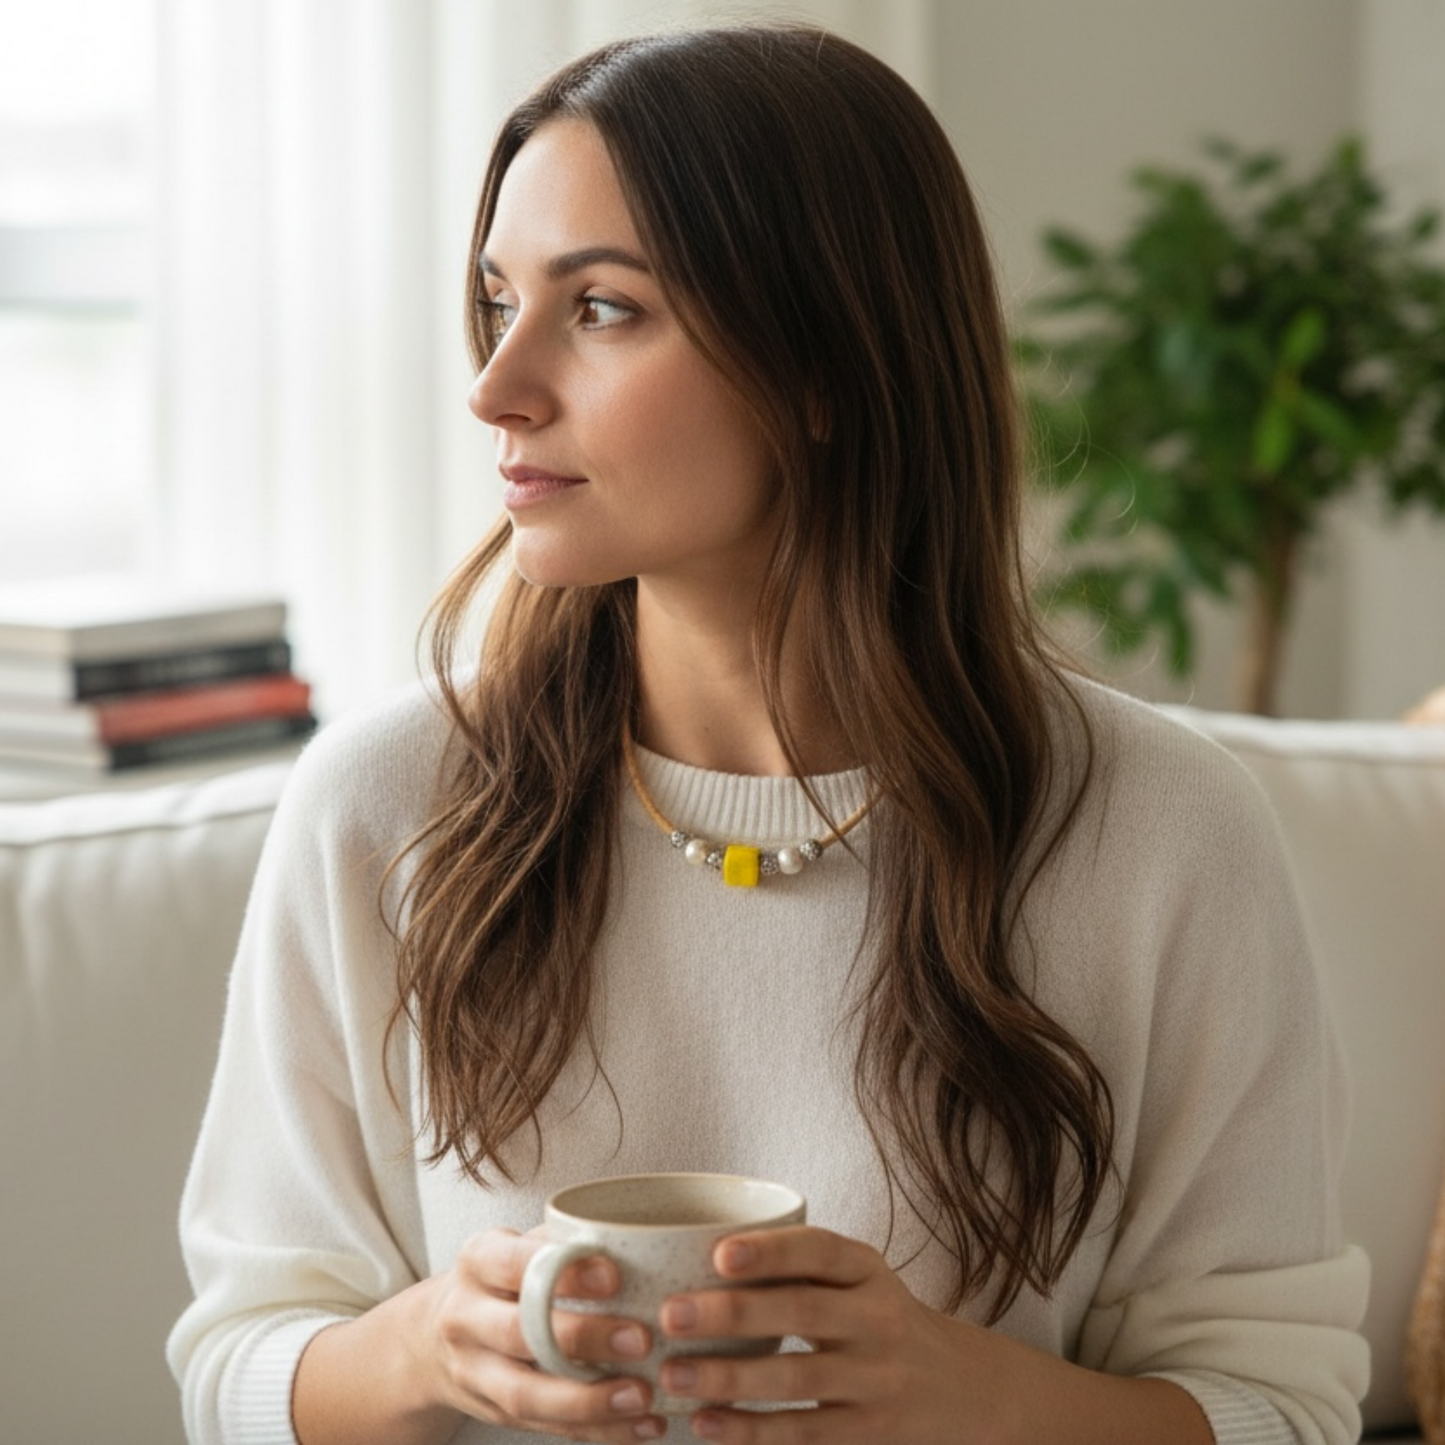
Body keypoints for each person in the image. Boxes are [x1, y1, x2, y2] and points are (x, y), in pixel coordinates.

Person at [168, 23, 1369, 1445]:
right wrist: (433, 1349)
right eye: (499, 302)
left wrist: (972, 1396)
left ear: (826, 368)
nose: (498, 385)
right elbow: (235, 1362)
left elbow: (1282, 1409)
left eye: (601, 308)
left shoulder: (1161, 828)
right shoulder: (385, 805)